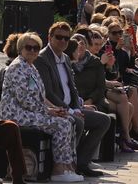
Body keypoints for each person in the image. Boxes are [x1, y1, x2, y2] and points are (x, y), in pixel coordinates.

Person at [0, 31, 82, 183]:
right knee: (61, 124)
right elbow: (26, 100)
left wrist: (55, 109)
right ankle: (58, 170)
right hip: (16, 113)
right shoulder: (18, 67)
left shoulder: (31, 67)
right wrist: (49, 112)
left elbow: (40, 97)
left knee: (68, 119)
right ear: (20, 48)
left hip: (29, 111)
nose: (32, 51)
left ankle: (68, 166)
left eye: (36, 48)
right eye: (28, 47)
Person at [34, 23, 111, 179]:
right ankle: (67, 165)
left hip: (71, 107)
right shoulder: (43, 59)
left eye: (66, 38)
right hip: (55, 109)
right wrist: (70, 111)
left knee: (103, 120)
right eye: (58, 37)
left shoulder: (65, 58)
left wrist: (77, 106)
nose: (63, 41)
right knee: (77, 121)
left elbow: (72, 89)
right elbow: (48, 92)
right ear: (49, 38)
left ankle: (81, 163)